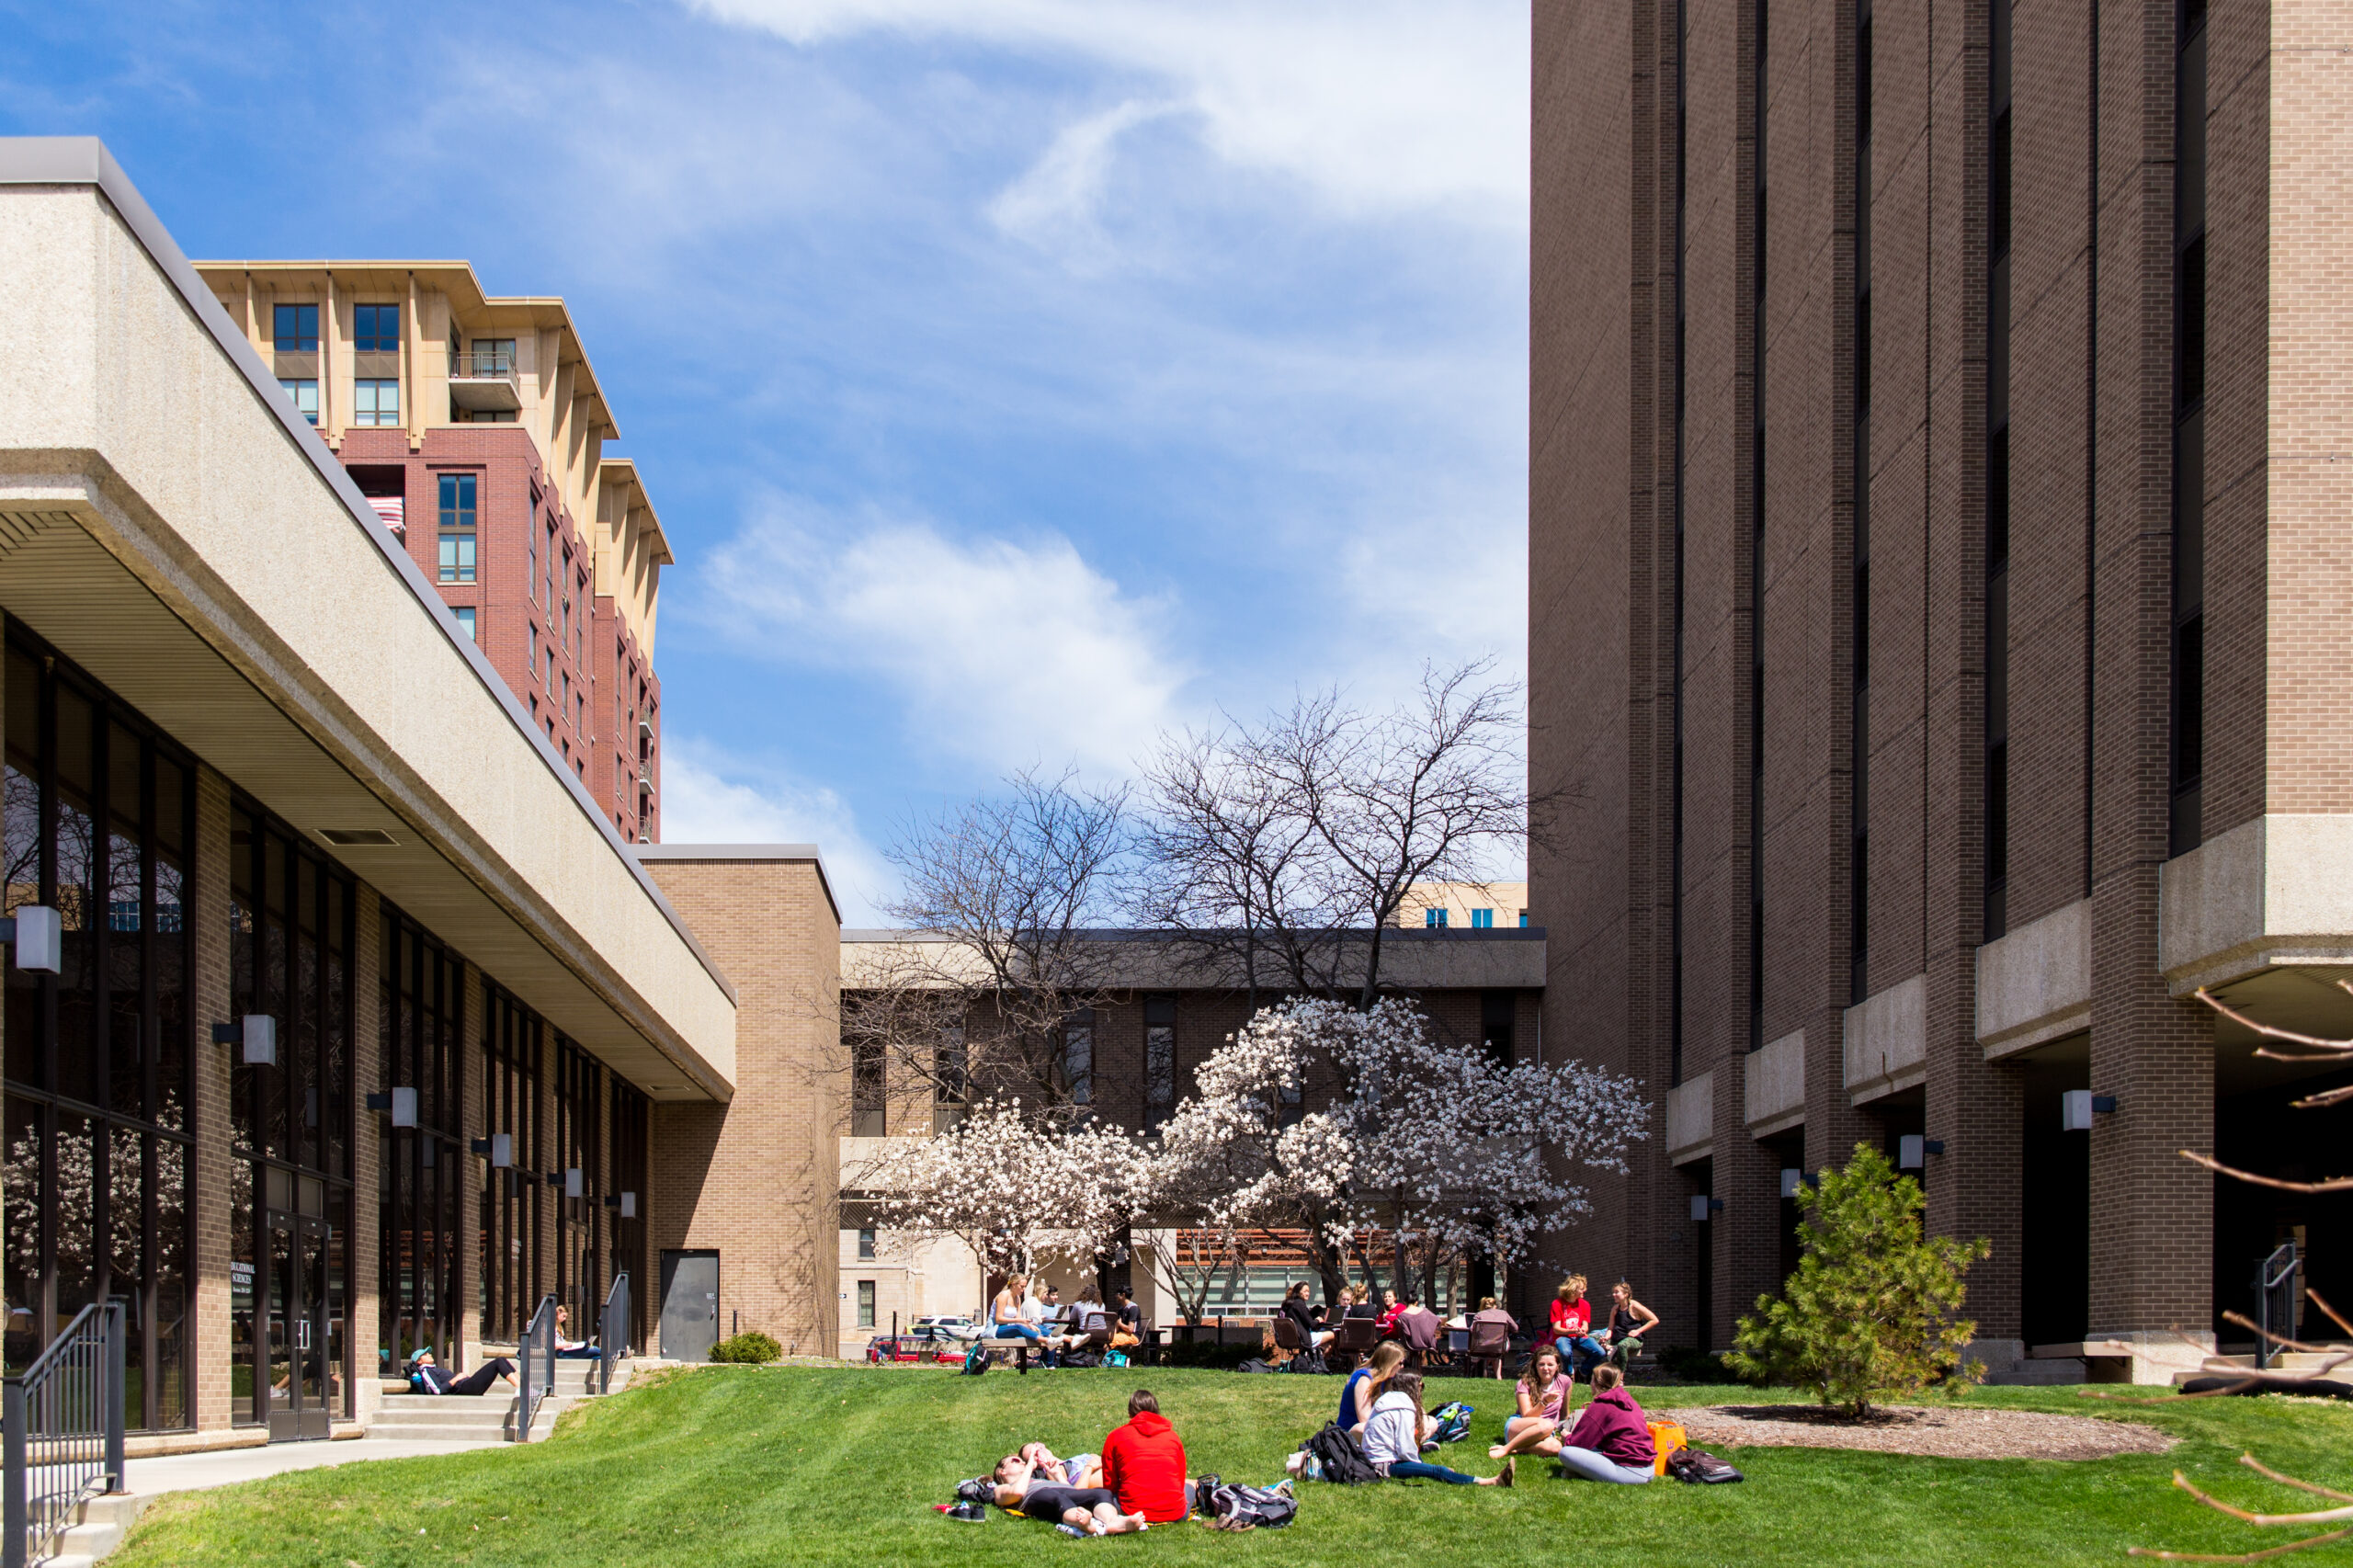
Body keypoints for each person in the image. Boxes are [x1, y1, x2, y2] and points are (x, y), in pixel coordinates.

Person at [1364, 1372, 1512, 1487]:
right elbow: (1405, 1448)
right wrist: (1423, 1467)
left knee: (1434, 1469)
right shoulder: (1404, 1407)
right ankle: (1492, 1481)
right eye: (1421, 1386)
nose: (1422, 1390)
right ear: (1412, 1387)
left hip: (1375, 1460)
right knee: (1438, 1471)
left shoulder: (1388, 1400)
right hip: (1384, 1465)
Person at [1100, 1388, 1191, 1525]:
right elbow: (1180, 1477)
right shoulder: (1173, 1437)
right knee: (1189, 1488)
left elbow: (1110, 1483)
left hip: (1131, 1510)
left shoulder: (1115, 1437)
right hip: (1175, 1512)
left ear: (1130, 1412)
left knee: (1101, 1497)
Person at [1553, 1364, 1655, 1483]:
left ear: (1595, 1382)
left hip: (1629, 1470)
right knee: (1594, 1449)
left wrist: (1567, 1437)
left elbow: (1578, 1443)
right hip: (1649, 1467)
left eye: (1591, 1380)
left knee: (1566, 1453)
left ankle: (1579, 1472)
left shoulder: (1602, 1405)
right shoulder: (1627, 1400)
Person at [1490, 1346, 1574, 1459]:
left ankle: (1518, 1449)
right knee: (1547, 1424)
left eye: (1550, 1365)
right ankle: (1506, 1448)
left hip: (1546, 1432)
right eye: (1541, 1364)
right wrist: (1544, 1402)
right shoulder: (1524, 1383)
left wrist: (1566, 1432)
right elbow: (1526, 1415)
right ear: (1535, 1365)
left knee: (1556, 1447)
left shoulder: (1565, 1381)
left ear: (1557, 1366)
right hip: (1520, 1426)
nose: (1546, 1368)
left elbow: (1564, 1413)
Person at [1339, 1341, 1406, 1435]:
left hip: (1378, 1427)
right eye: (1400, 1363)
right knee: (1362, 1428)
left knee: (1430, 1422)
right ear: (1390, 1363)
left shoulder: (1388, 1380)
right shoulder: (1364, 1379)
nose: (1402, 1367)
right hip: (1351, 1431)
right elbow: (1364, 1418)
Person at [1550, 1275, 1608, 1379]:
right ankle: (1569, 1374)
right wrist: (1572, 1331)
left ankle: (1582, 1372)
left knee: (1600, 1352)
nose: (1584, 1291)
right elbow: (1556, 1329)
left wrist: (1582, 1330)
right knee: (1565, 1352)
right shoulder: (1557, 1304)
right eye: (1581, 1289)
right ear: (1573, 1289)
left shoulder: (1585, 1304)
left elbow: (1585, 1326)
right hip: (1562, 1337)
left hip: (1580, 1337)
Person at [1598, 1280, 1660, 1370]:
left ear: (1626, 1294)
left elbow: (1654, 1320)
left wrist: (1638, 1331)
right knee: (1597, 1344)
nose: (1613, 1295)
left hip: (1633, 1340)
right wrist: (1606, 1338)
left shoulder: (1634, 1306)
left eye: (1616, 1292)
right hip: (1617, 1339)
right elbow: (1610, 1328)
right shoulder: (1615, 1309)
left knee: (1622, 1345)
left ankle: (1621, 1375)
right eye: (1613, 1292)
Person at [407, 1346, 517, 1397]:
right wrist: (456, 1378)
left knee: (502, 1360)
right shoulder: (426, 1371)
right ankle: (520, 1388)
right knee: (498, 1362)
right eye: (425, 1354)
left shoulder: (432, 1369)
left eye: (428, 1353)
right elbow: (437, 1391)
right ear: (419, 1361)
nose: (429, 1354)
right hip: (465, 1388)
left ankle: (522, 1387)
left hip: (467, 1385)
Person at [1468, 1295, 1518, 1380]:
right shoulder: (1504, 1314)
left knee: (1486, 1351)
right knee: (1496, 1354)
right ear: (1495, 1306)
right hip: (1500, 1346)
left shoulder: (1479, 1315)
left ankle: (1482, 1373)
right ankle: (1498, 1377)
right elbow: (1515, 1329)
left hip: (1482, 1346)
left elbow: (1472, 1329)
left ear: (1484, 1306)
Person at [1279, 1282, 1335, 1353]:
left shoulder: (1287, 1304)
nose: (1307, 1294)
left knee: (1327, 1346)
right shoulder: (1299, 1304)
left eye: (1308, 1291)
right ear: (1298, 1292)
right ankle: (1318, 1362)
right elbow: (1312, 1324)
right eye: (1305, 1291)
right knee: (1332, 1334)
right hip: (1303, 1338)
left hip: (1291, 1338)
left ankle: (1316, 1358)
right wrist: (1318, 1319)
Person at [1108, 1288, 1142, 1352]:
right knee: (1106, 1338)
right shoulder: (1121, 1309)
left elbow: (1130, 1329)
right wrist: (1111, 1334)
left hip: (1133, 1336)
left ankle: (1109, 1361)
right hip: (1122, 1334)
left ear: (1123, 1295)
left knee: (1111, 1341)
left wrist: (1120, 1324)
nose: (1115, 1296)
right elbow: (1117, 1326)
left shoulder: (1133, 1308)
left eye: (1117, 1294)